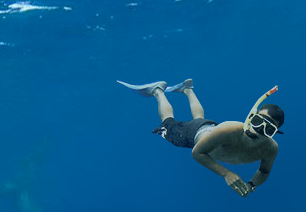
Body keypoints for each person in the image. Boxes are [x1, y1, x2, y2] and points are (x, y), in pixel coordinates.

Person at [117, 79, 284, 197]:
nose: (258, 131)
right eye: (257, 122)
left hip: (209, 130)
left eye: (268, 129)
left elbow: (263, 172)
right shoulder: (230, 128)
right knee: (167, 124)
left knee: (199, 119)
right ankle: (157, 91)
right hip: (194, 135)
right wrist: (226, 174)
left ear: (274, 133)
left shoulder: (270, 149)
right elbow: (197, 153)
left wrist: (251, 185)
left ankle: (187, 89)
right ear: (250, 117)